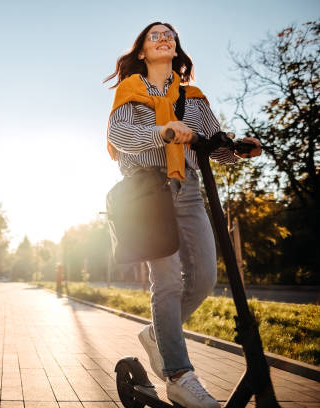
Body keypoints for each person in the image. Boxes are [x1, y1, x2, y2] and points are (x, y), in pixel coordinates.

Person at [104, 22, 261, 408]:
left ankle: (159, 336)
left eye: (170, 35)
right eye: (155, 35)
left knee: (205, 277)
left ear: (177, 49)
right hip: (148, 191)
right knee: (169, 279)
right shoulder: (131, 91)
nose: (164, 38)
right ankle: (179, 374)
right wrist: (164, 132)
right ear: (141, 51)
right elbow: (121, 138)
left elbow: (213, 145)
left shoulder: (193, 97)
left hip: (189, 189)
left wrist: (238, 149)